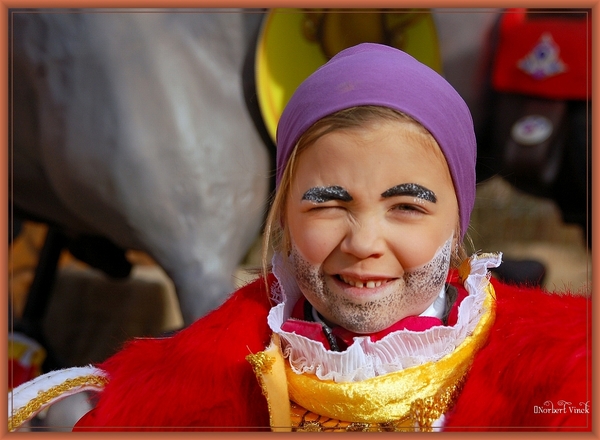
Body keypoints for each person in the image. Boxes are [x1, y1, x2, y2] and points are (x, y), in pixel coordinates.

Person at [8, 43, 590, 432]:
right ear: (284, 216)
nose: (364, 241)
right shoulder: (192, 385)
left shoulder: (566, 377)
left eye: (407, 206)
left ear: (458, 222)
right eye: (329, 204)